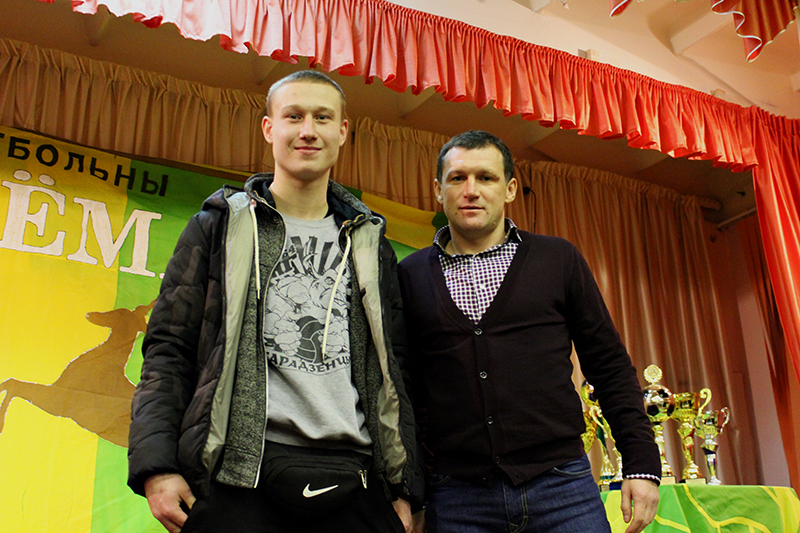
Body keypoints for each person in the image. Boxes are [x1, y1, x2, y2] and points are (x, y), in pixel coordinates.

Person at [127, 70, 422, 533]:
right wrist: (157, 467)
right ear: (269, 128)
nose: (308, 130)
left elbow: (395, 371)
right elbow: (169, 349)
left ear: (343, 131)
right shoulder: (219, 226)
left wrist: (404, 489)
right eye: (294, 116)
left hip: (356, 478)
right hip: (239, 475)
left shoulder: (370, 243)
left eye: (322, 117)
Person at [397, 130, 660, 533]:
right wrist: (410, 491)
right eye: (457, 178)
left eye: (486, 177)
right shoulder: (408, 275)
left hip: (563, 490)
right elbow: (404, 393)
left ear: (509, 189)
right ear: (438, 190)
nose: (471, 190)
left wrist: (640, 463)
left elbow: (608, 365)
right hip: (456, 499)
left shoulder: (558, 258)